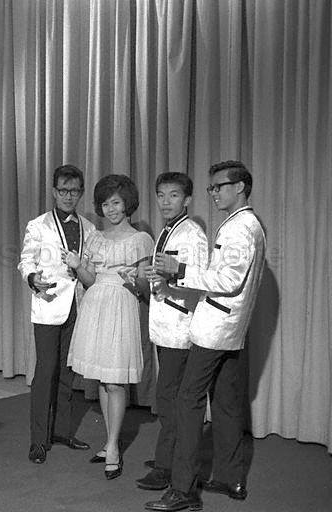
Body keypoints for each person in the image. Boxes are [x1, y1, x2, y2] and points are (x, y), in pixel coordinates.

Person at [145, 161, 266, 511]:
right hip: (232, 329)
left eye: (219, 187)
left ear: (240, 186)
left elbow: (229, 282)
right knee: (226, 405)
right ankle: (232, 478)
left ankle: (183, 490)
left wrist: (179, 269)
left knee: (187, 402)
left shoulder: (239, 228)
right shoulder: (248, 224)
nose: (213, 193)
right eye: (211, 188)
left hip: (214, 329)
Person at [64, 174, 154, 480]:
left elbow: (145, 286)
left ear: (127, 203)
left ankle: (113, 446)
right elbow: (90, 281)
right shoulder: (95, 238)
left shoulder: (141, 239)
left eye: (116, 202)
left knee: (116, 381)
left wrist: (135, 279)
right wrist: (78, 267)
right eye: (105, 203)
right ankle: (110, 441)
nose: (111, 209)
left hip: (121, 305)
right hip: (95, 306)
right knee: (103, 380)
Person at [18, 164, 96, 464]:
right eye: (63, 190)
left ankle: (62, 431)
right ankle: (38, 441)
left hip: (79, 305)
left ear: (80, 193)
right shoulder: (38, 225)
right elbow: (25, 261)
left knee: (68, 373)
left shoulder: (88, 227)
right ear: (54, 191)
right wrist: (31, 278)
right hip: (49, 304)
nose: (68, 196)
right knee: (45, 373)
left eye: (74, 191)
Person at [135, 172, 208, 491]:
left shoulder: (193, 233)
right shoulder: (168, 230)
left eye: (174, 195)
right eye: (161, 195)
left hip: (180, 329)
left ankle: (167, 466)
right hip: (164, 327)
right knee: (168, 397)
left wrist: (171, 274)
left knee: (170, 398)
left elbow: (202, 278)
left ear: (188, 200)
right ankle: (171, 456)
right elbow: (167, 276)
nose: (166, 202)